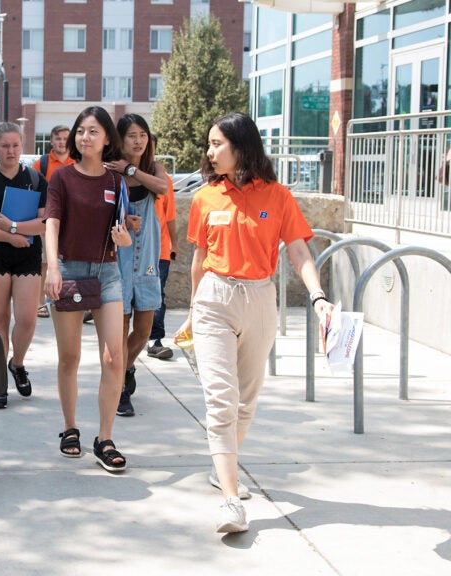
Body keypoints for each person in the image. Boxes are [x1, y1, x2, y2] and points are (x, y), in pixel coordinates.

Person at [177, 112, 334, 533]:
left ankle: (221, 467)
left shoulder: (278, 196)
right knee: (222, 400)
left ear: (241, 146)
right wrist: (193, 310)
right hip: (214, 299)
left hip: (261, 298)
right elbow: (197, 261)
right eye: (208, 144)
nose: (209, 152)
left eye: (216, 144)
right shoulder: (206, 198)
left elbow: (299, 252)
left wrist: (318, 297)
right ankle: (231, 501)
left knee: (246, 400)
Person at [43, 105, 133, 473]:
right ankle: (69, 429)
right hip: (68, 270)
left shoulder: (117, 182)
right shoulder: (62, 178)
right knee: (70, 358)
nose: (84, 137)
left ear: (107, 138)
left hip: (108, 271)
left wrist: (125, 238)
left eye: (93, 131)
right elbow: (51, 223)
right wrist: (52, 267)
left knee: (115, 357)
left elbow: (122, 231)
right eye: (81, 131)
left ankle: (105, 438)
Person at [0, 122, 47, 409]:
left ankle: (17, 363)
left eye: (15, 145)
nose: (11, 151)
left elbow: (44, 223)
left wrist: (17, 229)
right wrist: (10, 235)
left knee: (27, 319)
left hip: (27, 255)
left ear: (22, 146)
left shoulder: (35, 178)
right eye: (5, 145)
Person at [104, 114, 169, 417]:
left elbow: (163, 188)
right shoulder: (109, 173)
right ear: (120, 138)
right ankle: (117, 388)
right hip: (119, 260)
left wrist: (131, 169)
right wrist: (123, 220)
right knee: (122, 327)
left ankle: (126, 367)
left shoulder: (151, 169)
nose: (138, 141)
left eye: (143, 134)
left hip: (146, 261)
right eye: (131, 135)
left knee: (144, 329)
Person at [33, 125, 76, 319]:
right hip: (48, 220)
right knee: (44, 262)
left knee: (71, 261)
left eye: (65, 138)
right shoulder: (40, 164)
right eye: (58, 138)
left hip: (73, 221)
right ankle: (41, 303)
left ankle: (71, 298)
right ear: (51, 141)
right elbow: (32, 192)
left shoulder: (77, 162)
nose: (62, 142)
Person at [147, 134, 178, 361]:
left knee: (157, 296)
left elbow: (170, 216)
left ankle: (154, 340)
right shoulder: (122, 176)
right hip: (131, 250)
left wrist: (174, 243)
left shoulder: (163, 179)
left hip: (160, 249)